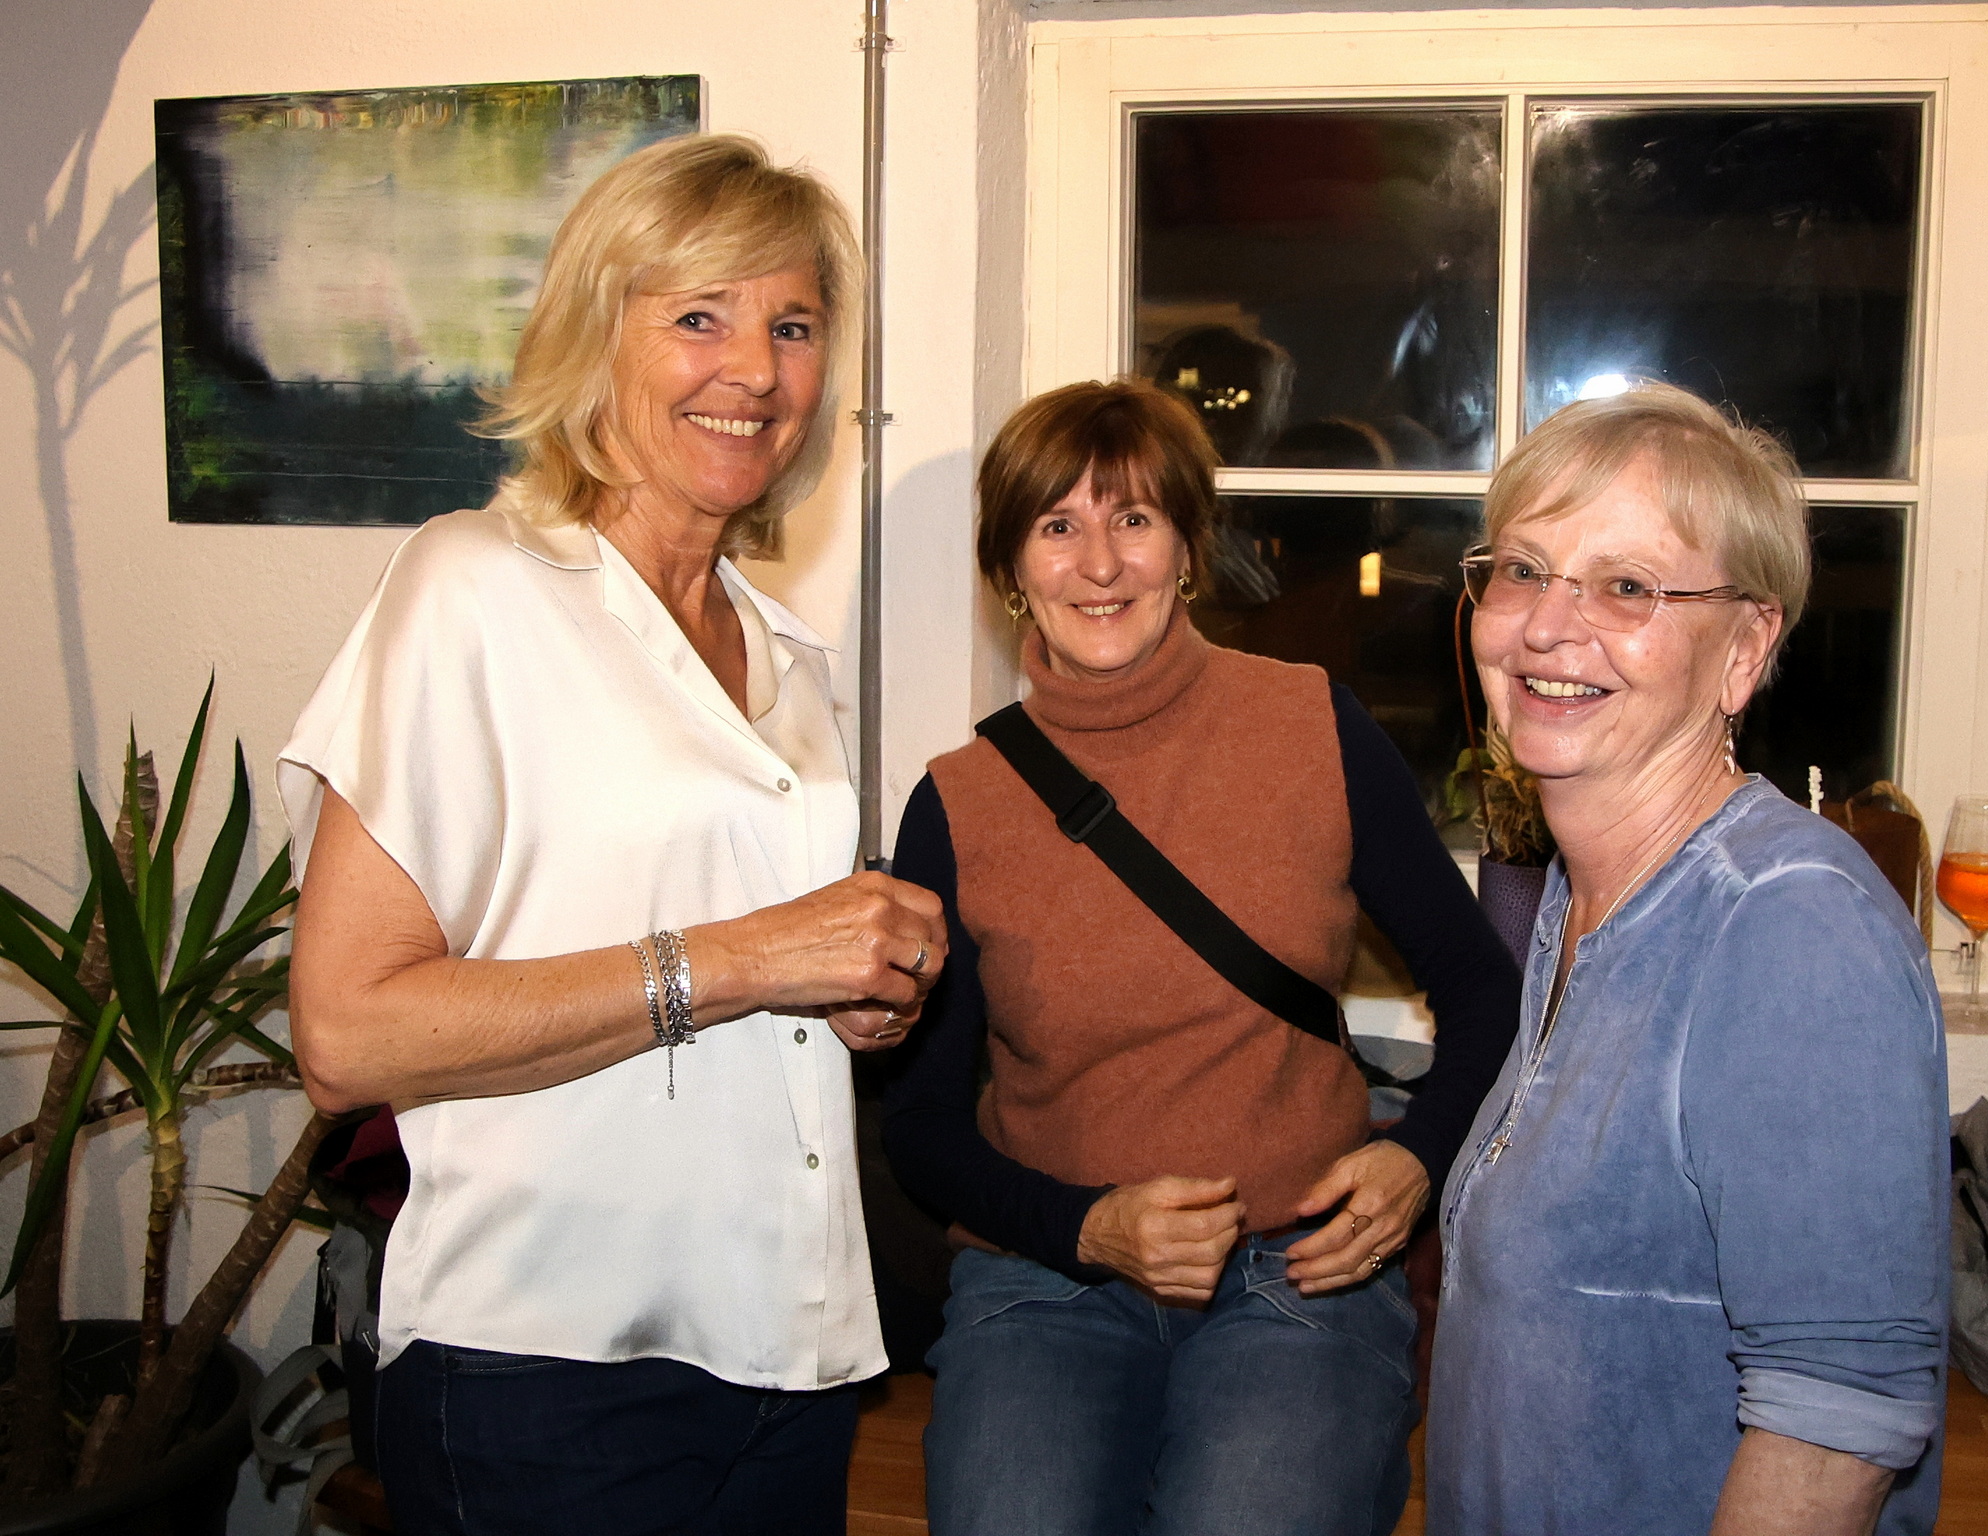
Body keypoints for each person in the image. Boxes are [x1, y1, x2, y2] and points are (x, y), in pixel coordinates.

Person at [280, 134, 948, 1536]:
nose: (754, 370)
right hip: (549, 1364)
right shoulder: (476, 588)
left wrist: (850, 996)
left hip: (790, 1348)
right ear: (597, 339)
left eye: (793, 327)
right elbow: (347, 1035)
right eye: (699, 317)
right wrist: (753, 957)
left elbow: (749, 971)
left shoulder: (783, 653)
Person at [881, 379, 1521, 1536]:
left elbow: (1483, 989)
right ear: (1010, 568)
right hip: (1047, 1276)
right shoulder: (957, 806)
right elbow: (920, 1125)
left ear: (1188, 548)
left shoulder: (1313, 727)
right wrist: (1089, 1228)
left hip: (1298, 1271)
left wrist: (1416, 1158)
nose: (1100, 563)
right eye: (1057, 525)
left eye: (1134, 518)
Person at [1427, 381, 1950, 1536]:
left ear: (1744, 650)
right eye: (1522, 569)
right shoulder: (1574, 903)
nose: (1546, 627)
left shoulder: (1789, 929)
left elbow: (1837, 1426)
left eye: (1627, 586)